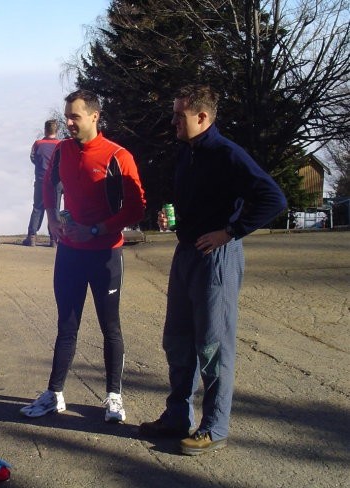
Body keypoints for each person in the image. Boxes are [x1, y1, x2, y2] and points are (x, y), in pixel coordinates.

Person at [139, 85, 287, 455]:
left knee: (213, 346)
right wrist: (170, 217)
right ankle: (177, 417)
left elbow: (274, 198)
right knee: (178, 339)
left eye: (179, 115)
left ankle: (214, 427)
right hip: (187, 253)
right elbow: (195, 198)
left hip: (216, 259)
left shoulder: (226, 153)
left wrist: (230, 232)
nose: (173, 121)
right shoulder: (188, 152)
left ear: (202, 117)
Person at [20, 89, 146, 423]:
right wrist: (51, 216)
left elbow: (137, 206)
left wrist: (95, 230)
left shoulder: (117, 156)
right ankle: (54, 394)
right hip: (71, 255)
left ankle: (113, 397)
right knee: (67, 325)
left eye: (75, 117)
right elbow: (49, 186)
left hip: (105, 253)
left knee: (110, 327)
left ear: (94, 116)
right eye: (66, 117)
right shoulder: (62, 151)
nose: (69, 124)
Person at [23, 119, 62, 247]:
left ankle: (32, 237)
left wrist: (41, 166)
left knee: (38, 207)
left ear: (45, 130)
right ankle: (54, 239)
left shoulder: (38, 144)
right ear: (56, 131)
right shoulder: (61, 145)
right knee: (55, 209)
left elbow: (33, 158)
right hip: (57, 181)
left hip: (41, 179)